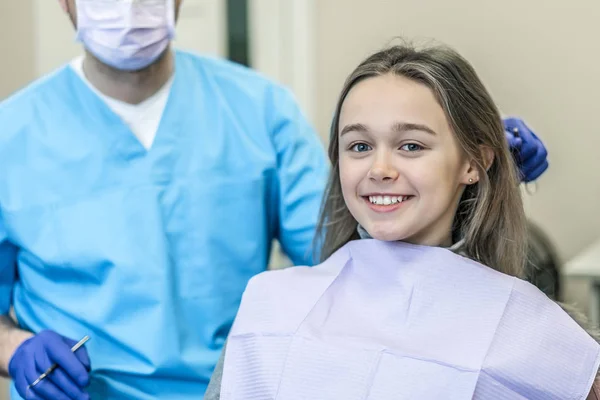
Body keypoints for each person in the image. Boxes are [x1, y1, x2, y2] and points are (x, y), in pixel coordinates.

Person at [0, 1, 548, 399]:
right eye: (360, 144)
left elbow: (350, 245)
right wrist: (16, 350)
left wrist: (449, 168)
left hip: (248, 380)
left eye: (408, 145)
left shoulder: (258, 110)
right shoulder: (11, 134)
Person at [207, 42, 599, 399]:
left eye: (411, 145)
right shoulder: (272, 307)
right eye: (359, 146)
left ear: (473, 163)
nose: (379, 168)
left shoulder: (527, 330)